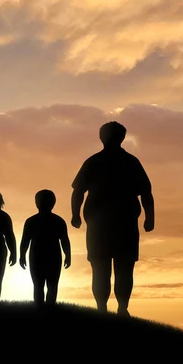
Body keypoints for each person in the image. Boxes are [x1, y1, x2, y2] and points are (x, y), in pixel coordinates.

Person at [70, 121, 155, 316]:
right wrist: (75, 214)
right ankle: (110, 308)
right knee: (111, 267)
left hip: (116, 223)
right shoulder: (127, 162)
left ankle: (117, 308)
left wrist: (150, 218)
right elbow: (78, 192)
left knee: (111, 267)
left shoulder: (97, 161)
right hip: (108, 224)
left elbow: (146, 193)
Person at [19, 189, 71, 306]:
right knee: (41, 285)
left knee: (49, 285)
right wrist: (22, 255)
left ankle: (46, 309)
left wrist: (68, 255)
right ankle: (41, 309)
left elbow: (64, 240)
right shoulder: (34, 221)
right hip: (41, 256)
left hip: (49, 256)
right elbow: (25, 241)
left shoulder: (56, 221)